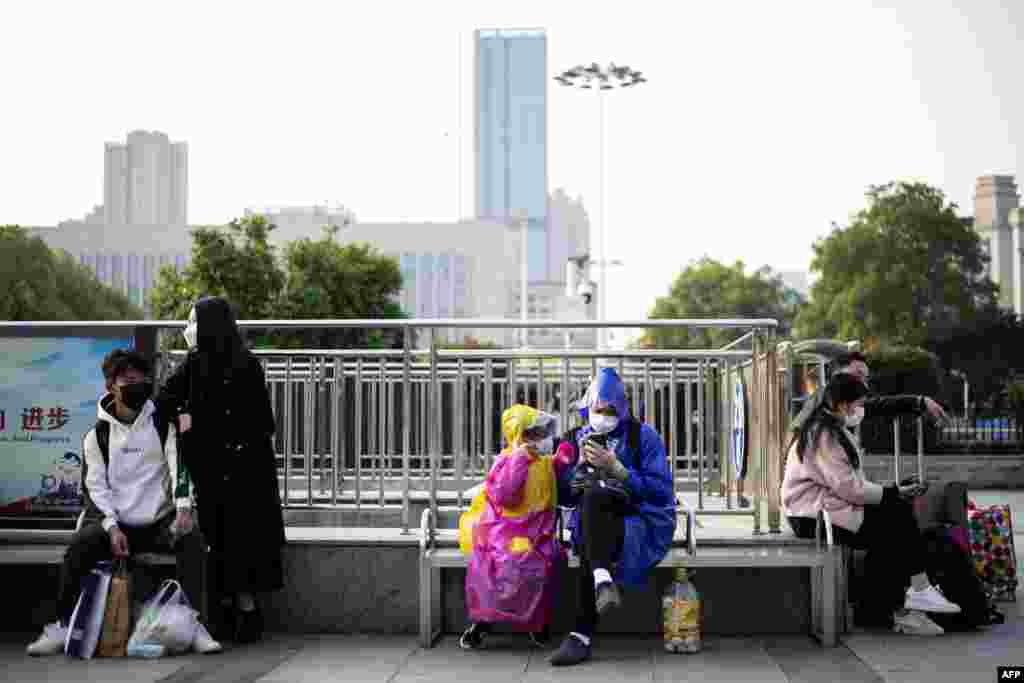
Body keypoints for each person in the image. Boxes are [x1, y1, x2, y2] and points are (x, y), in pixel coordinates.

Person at [27, 349, 220, 656]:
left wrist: (184, 508)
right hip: (117, 525)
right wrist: (112, 527)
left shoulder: (162, 425)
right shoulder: (96, 436)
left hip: (159, 522)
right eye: (128, 380)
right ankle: (61, 627)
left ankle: (195, 626)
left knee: (193, 541)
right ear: (110, 387)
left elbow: (179, 467)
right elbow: (95, 489)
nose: (137, 385)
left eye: (142, 379)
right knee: (80, 547)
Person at [782, 373, 962, 636]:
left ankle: (901, 606)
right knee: (894, 519)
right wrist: (892, 493)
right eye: (858, 404)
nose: (861, 410)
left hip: (827, 508)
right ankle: (910, 599)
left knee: (893, 523)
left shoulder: (829, 427)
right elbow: (850, 488)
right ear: (842, 404)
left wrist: (892, 492)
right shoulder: (824, 435)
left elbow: (849, 485)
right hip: (811, 516)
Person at [154, 296, 285, 644]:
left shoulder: (238, 366)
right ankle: (233, 613)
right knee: (223, 542)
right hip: (216, 472)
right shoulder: (195, 365)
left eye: (193, 320)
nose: (189, 329)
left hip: (241, 472)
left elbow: (260, 422)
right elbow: (165, 401)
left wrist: (197, 423)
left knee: (238, 541)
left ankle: (242, 612)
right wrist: (185, 419)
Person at [548, 368, 676, 667]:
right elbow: (566, 498)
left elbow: (659, 491)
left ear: (622, 409)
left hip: (640, 515)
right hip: (599, 520)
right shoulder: (574, 438)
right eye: (597, 409)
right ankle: (602, 581)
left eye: (610, 410)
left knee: (591, 526)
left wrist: (619, 469)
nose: (603, 416)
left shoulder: (643, 436)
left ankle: (580, 634)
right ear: (586, 408)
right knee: (590, 504)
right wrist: (576, 472)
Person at [460, 405, 577, 650]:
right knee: (497, 565)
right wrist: (518, 460)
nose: (539, 440)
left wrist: (564, 459)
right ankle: (483, 622)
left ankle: (538, 623)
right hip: (502, 534)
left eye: (541, 434)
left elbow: (561, 482)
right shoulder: (505, 461)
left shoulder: (544, 462)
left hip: (538, 535)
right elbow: (505, 495)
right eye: (531, 434)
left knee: (548, 562)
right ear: (517, 435)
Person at [790, 351, 950, 435]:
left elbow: (879, 405)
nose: (862, 383)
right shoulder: (820, 414)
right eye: (857, 375)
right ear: (836, 375)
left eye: (865, 378)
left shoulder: (837, 407)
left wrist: (920, 402)